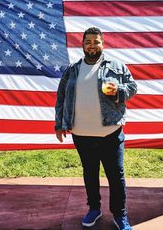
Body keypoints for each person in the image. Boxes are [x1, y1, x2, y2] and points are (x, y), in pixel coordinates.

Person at [54, 27, 137, 230]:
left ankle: (120, 215)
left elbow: (133, 88)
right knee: (90, 174)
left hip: (110, 133)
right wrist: (59, 124)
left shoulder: (116, 66)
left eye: (96, 41)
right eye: (88, 41)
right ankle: (94, 209)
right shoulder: (72, 70)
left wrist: (119, 91)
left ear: (102, 44)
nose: (92, 45)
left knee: (115, 176)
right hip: (81, 134)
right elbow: (61, 98)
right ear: (82, 45)